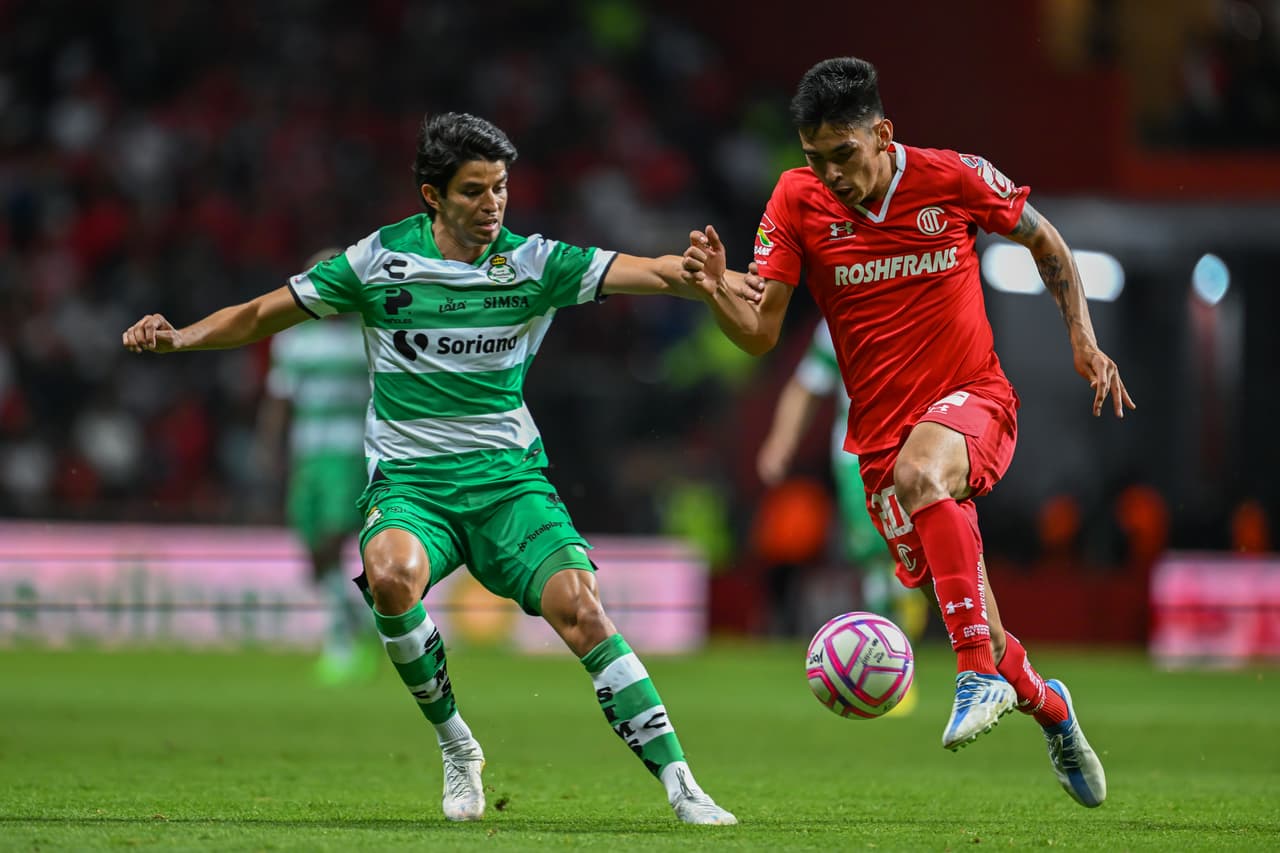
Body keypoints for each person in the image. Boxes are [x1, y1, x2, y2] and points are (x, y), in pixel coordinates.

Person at [122, 112, 736, 826]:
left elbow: (655, 271)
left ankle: (682, 782)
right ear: (432, 195)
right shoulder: (376, 262)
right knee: (389, 578)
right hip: (413, 486)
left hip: (509, 483)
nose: (493, 204)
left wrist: (705, 278)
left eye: (500, 187)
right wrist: (180, 337)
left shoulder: (533, 263)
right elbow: (262, 313)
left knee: (582, 609)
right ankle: (456, 744)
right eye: (474, 191)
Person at [681, 56, 1134, 808]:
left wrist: (1082, 342)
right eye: (814, 158)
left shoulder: (950, 177)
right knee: (981, 616)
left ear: (882, 135)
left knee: (926, 478)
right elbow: (760, 332)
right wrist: (713, 292)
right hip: (880, 447)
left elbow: (1044, 240)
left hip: (974, 401)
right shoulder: (797, 200)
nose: (829, 173)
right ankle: (1049, 706)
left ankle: (973, 672)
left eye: (843, 155)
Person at [757, 318, 928, 694]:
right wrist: (781, 442)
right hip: (859, 456)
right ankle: (893, 659)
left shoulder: (926, 300)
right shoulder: (841, 314)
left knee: (914, 554)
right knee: (876, 556)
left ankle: (912, 643)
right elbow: (807, 384)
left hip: (923, 448)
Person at [255, 248, 376, 685]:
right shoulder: (294, 339)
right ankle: (357, 622)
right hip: (307, 452)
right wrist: (269, 448)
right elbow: (280, 399)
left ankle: (342, 640)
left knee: (331, 539)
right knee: (313, 551)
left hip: (352, 453)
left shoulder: (371, 335)